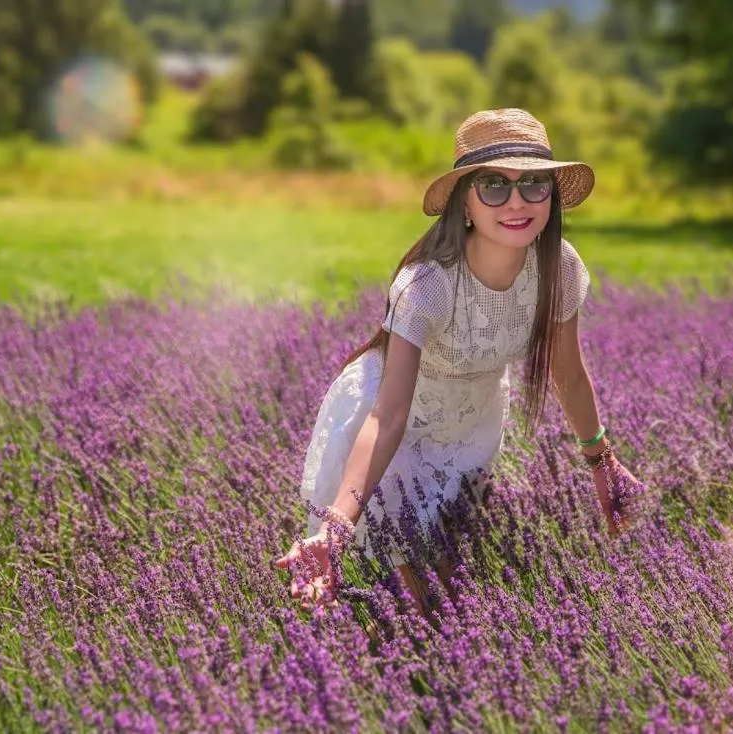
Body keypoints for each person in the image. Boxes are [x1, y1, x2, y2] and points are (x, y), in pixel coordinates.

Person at [274, 108, 645, 624]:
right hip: (395, 429)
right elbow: (388, 416)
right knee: (418, 600)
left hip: (472, 427)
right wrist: (336, 528)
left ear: (551, 196)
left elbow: (567, 373)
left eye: (533, 184)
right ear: (464, 201)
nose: (516, 202)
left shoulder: (558, 266)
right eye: (493, 186)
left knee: (453, 588)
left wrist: (602, 462)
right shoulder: (429, 285)